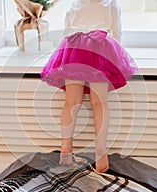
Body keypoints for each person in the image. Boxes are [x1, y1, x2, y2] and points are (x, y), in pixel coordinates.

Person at [40, 0, 138, 173]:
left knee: (71, 102)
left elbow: (67, 31)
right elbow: (117, 33)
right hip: (100, 50)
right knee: (99, 103)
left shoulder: (74, 3)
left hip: (75, 49)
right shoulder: (111, 4)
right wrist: (112, 56)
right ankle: (100, 150)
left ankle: (66, 147)